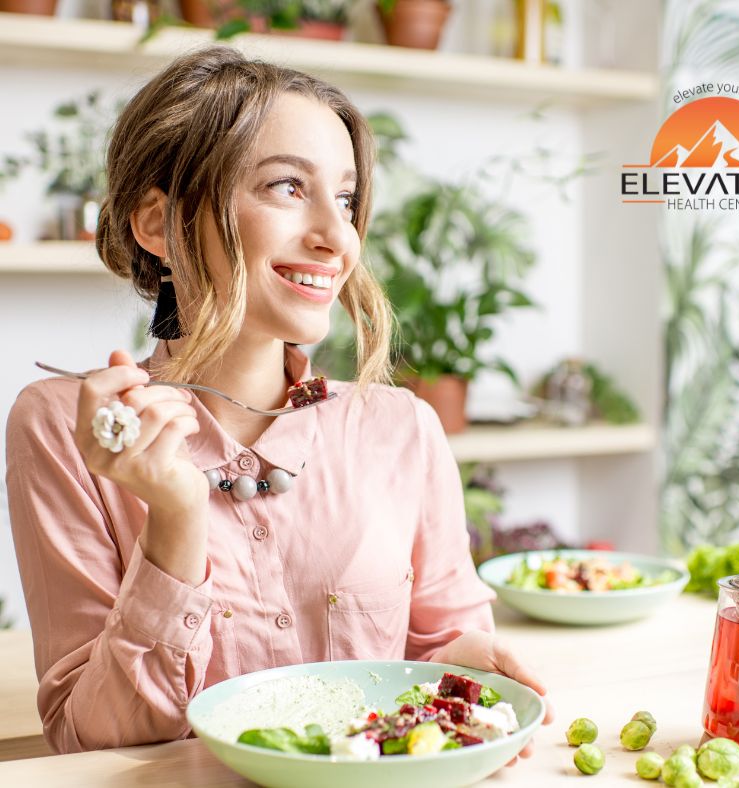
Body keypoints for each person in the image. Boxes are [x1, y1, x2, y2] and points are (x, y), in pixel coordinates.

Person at [6, 46, 551, 755]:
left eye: (347, 199)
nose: (337, 238)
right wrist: (175, 518)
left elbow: (443, 646)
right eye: (288, 188)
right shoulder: (65, 428)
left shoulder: (401, 429)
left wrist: (469, 673)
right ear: (156, 225)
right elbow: (91, 740)